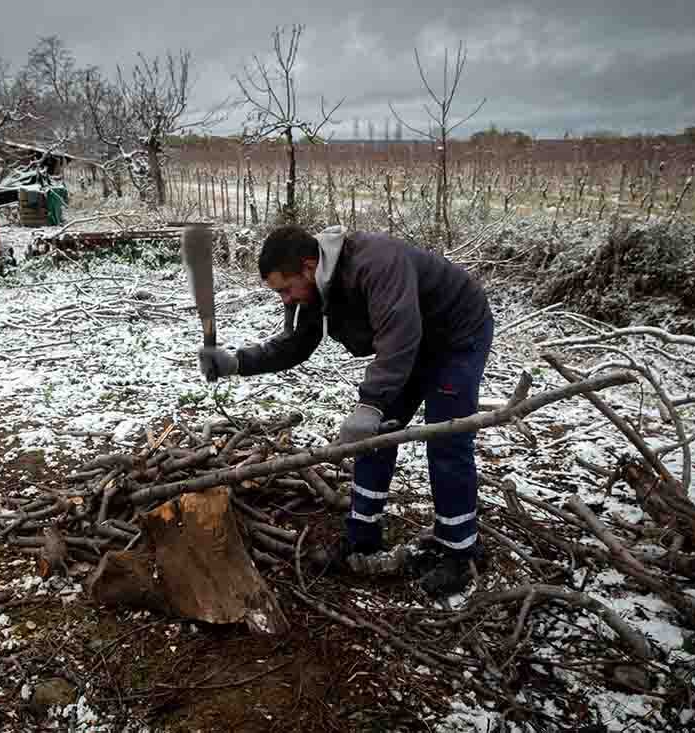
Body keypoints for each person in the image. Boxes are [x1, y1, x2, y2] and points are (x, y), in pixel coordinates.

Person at [198, 225, 494, 596]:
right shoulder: (317, 285)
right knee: (375, 436)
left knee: (447, 439)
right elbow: (297, 344)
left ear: (308, 267)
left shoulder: (377, 264)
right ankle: (362, 538)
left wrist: (370, 403)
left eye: (285, 289)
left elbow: (400, 337)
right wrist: (236, 362)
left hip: (456, 337)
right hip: (407, 346)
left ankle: (460, 551)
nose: (286, 299)